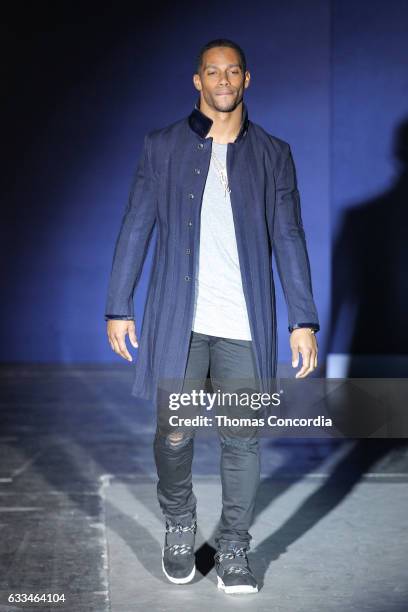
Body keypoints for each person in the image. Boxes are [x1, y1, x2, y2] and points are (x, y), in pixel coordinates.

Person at [105, 38, 319, 595]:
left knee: (242, 439)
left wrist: (303, 318)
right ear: (196, 81)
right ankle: (180, 524)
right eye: (212, 72)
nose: (222, 80)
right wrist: (118, 304)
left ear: (247, 80)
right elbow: (136, 226)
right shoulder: (163, 147)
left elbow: (289, 237)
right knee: (174, 432)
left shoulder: (274, 153)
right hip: (179, 321)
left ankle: (233, 548)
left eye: (232, 72)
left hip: (245, 326)